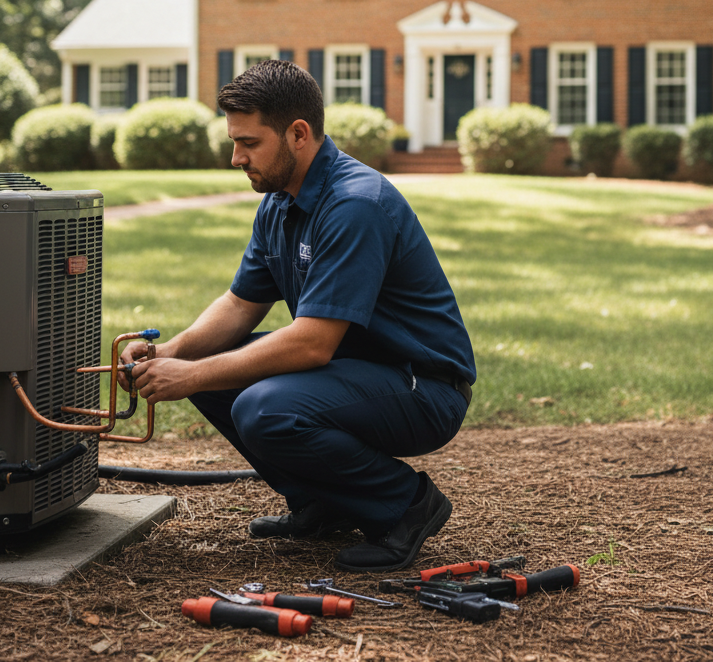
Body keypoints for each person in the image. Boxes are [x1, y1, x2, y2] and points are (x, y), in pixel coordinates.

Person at [122, 59, 475, 572]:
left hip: (422, 385)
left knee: (264, 408)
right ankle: (325, 503)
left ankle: (406, 505)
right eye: (234, 142)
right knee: (221, 368)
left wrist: (192, 373)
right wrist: (171, 353)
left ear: (298, 134)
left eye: (248, 142)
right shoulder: (280, 200)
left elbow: (311, 344)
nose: (235, 157)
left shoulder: (355, 205)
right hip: (355, 371)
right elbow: (241, 303)